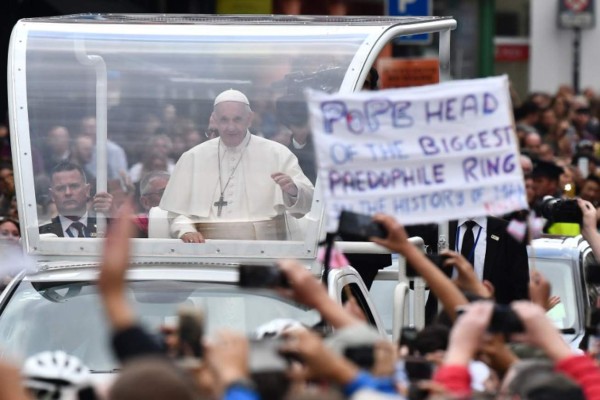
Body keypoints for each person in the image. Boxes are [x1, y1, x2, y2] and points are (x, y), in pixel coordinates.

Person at [160, 89, 314, 242]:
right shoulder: (192, 158)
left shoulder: (278, 154)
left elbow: (309, 202)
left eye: (237, 119)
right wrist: (185, 230)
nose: (230, 127)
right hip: (206, 252)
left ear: (249, 119)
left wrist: (293, 191)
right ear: (214, 119)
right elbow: (175, 212)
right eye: (224, 120)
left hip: (264, 252)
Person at [39, 161, 113, 237]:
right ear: (52, 195)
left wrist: (113, 214)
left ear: (87, 190)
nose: (68, 193)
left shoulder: (105, 226)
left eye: (74, 186)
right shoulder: (41, 234)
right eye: (61, 188)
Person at [133, 170, 170, 238]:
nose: (172, 197)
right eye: (163, 193)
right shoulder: (133, 229)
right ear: (145, 202)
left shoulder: (188, 224)